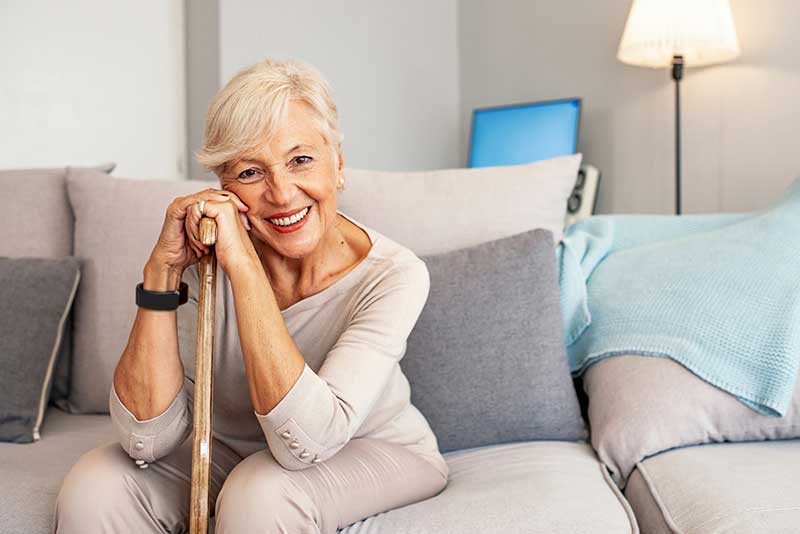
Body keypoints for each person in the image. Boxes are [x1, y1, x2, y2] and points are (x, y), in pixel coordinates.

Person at [54, 57, 448, 533]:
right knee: (95, 485)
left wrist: (243, 264)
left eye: (301, 160)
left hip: (371, 448)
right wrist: (163, 269)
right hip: (230, 450)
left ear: (338, 165)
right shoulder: (203, 259)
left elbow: (306, 441)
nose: (281, 194)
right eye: (250, 172)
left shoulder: (394, 275)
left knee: (259, 493)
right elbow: (145, 438)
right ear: (223, 187)